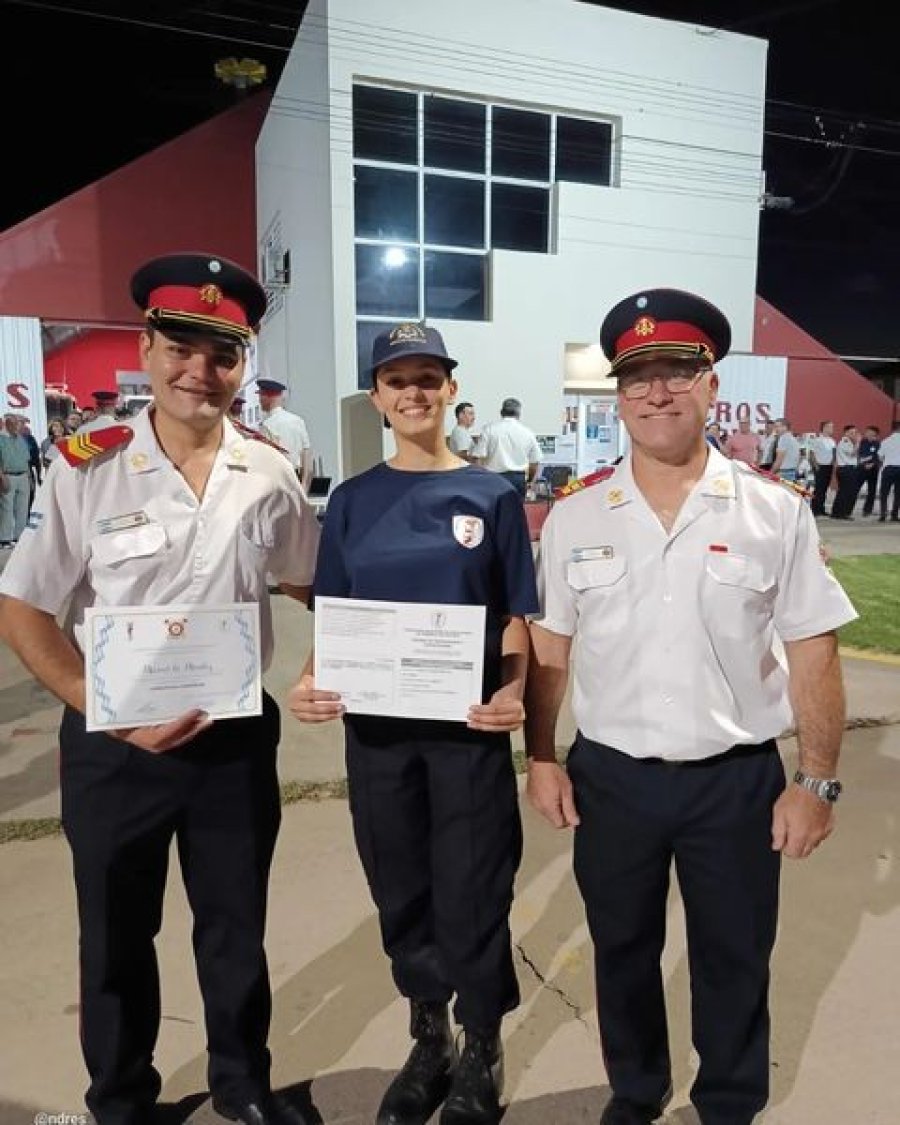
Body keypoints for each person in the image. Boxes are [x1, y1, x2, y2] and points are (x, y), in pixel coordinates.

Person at [0, 252, 321, 1125]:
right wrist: (95, 703)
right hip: (114, 748)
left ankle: (242, 1084)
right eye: (181, 346)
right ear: (145, 348)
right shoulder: (83, 466)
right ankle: (121, 1099)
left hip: (233, 742)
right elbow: (23, 606)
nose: (199, 371)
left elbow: (308, 580)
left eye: (221, 354)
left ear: (242, 364)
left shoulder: (266, 470)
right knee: (112, 936)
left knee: (234, 930)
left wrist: (340, 651)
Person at [523, 287, 857, 1125]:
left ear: (711, 383)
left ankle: (729, 1103)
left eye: (677, 370)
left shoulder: (772, 510)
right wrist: (540, 755)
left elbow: (815, 650)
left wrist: (816, 781)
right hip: (613, 780)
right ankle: (635, 1094)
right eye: (637, 376)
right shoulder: (574, 516)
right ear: (619, 394)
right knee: (623, 953)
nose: (656, 391)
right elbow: (551, 650)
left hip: (736, 782)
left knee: (734, 957)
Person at [286, 320, 538, 1125]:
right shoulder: (354, 500)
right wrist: (309, 676)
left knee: (473, 888)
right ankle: (427, 1036)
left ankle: (482, 1043)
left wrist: (516, 691)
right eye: (398, 380)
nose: (415, 392)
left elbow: (515, 621)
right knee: (401, 885)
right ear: (378, 397)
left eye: (429, 377)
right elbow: (336, 614)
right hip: (380, 736)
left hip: (465, 730)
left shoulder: (494, 495)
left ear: (450, 389)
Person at [478, 397, 542, 497]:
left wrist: (481, 479)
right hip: (518, 480)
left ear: (501, 412)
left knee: (493, 511)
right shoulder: (528, 432)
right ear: (519, 414)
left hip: (493, 479)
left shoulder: (489, 429)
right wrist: (530, 481)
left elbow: (478, 457)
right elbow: (535, 462)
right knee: (516, 511)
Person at [256, 379, 313, 490]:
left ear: (268, 396)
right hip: (297, 481)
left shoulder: (267, 425)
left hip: (276, 482)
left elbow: (265, 461)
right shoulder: (298, 421)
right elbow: (307, 456)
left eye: (261, 396)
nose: (259, 400)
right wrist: (304, 487)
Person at [0, 412, 33, 547]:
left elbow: (27, 459)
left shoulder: (21, 438)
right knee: (6, 508)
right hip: (8, 475)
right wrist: (2, 476)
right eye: (15, 422)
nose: (18, 425)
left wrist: (29, 477)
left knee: (22, 507)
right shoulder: (1, 438)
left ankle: (19, 536)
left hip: (23, 475)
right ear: (7, 423)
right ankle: (5, 538)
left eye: (18, 423)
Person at [830, 423, 859, 519]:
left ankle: (837, 512)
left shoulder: (849, 442)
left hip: (847, 469)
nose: (854, 434)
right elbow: (852, 454)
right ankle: (841, 513)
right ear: (846, 433)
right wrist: (858, 442)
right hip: (846, 469)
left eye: (855, 432)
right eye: (851, 432)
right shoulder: (845, 441)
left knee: (844, 492)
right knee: (845, 492)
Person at [808, 420, 836, 516]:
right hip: (820, 466)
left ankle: (821, 509)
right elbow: (812, 454)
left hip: (829, 467)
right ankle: (814, 509)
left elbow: (833, 454)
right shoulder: (817, 440)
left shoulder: (832, 441)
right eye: (830, 427)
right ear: (824, 428)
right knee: (819, 489)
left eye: (832, 427)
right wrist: (816, 466)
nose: (832, 429)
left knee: (824, 489)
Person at [877, 419, 900, 522]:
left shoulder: (886, 441)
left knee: (884, 492)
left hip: (889, 468)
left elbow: (880, 457)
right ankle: (894, 515)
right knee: (898, 493)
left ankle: (883, 514)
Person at [856, 425, 881, 516]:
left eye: (871, 434)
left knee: (872, 490)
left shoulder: (878, 444)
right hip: (861, 469)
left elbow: (879, 456)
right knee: (855, 488)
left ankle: (867, 510)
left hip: (873, 470)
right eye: (867, 433)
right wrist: (864, 464)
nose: (869, 435)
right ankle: (848, 507)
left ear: (875, 435)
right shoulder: (862, 442)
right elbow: (858, 454)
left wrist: (872, 464)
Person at [770, 417, 801, 481]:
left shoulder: (783, 438)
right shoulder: (793, 439)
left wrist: (770, 473)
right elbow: (799, 457)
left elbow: (779, 460)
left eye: (777, 426)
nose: (775, 429)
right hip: (792, 472)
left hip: (784, 473)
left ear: (785, 427)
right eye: (775, 427)